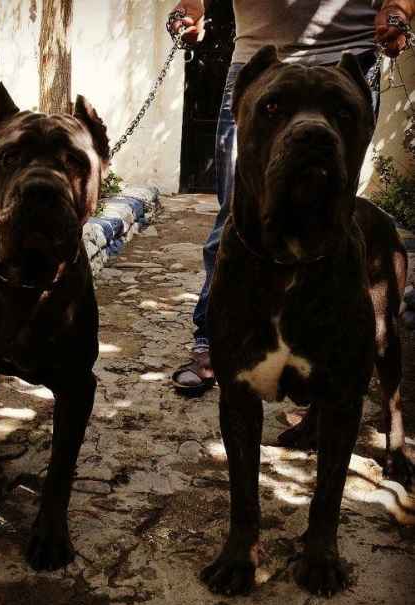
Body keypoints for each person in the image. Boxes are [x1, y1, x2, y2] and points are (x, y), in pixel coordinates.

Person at [169, 0, 415, 395]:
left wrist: (397, 9)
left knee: (334, 220)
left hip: (349, 63)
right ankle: (215, 342)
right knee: (236, 216)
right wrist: (193, 5)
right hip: (259, 64)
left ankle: (318, 357)